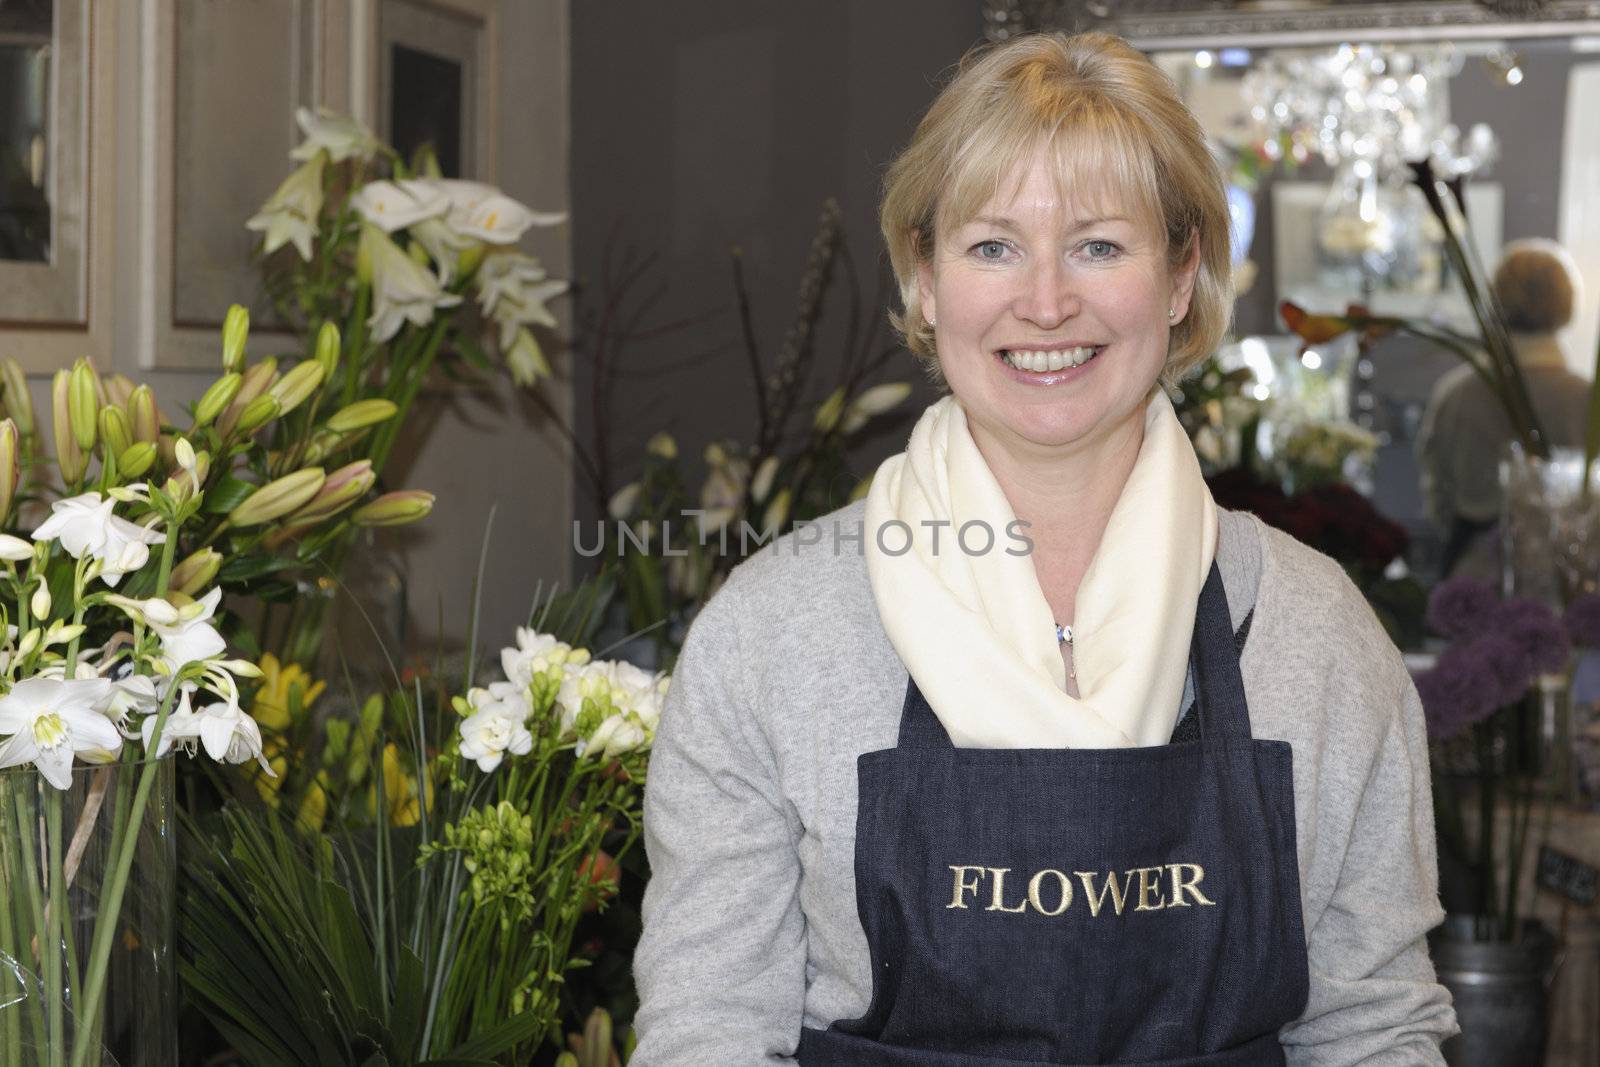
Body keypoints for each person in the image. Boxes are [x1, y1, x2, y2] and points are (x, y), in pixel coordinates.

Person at [632, 31, 1456, 1064]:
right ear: (924, 280)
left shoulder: (1313, 631)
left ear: (1179, 276)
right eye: (991, 246)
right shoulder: (772, 632)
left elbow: (1372, 1027)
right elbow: (707, 1029)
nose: (1047, 302)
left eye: (1100, 245)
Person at [1416, 239, 1592, 578]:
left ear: (1495, 300)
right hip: (1568, 579)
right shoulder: (1587, 399)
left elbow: (1438, 495)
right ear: (1567, 304)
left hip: (1473, 576)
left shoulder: (1456, 394)